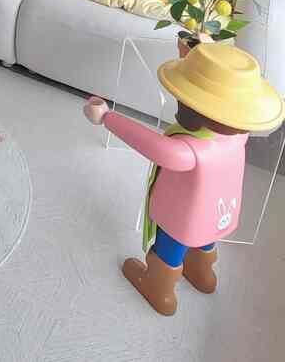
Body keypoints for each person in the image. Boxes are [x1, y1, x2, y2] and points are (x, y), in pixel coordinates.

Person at [83, 43, 284, 316]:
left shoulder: (188, 151)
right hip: (220, 211)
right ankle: (202, 271)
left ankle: (159, 287)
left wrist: (107, 117)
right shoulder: (238, 136)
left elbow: (150, 145)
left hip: (182, 217)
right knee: (206, 239)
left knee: (170, 246)